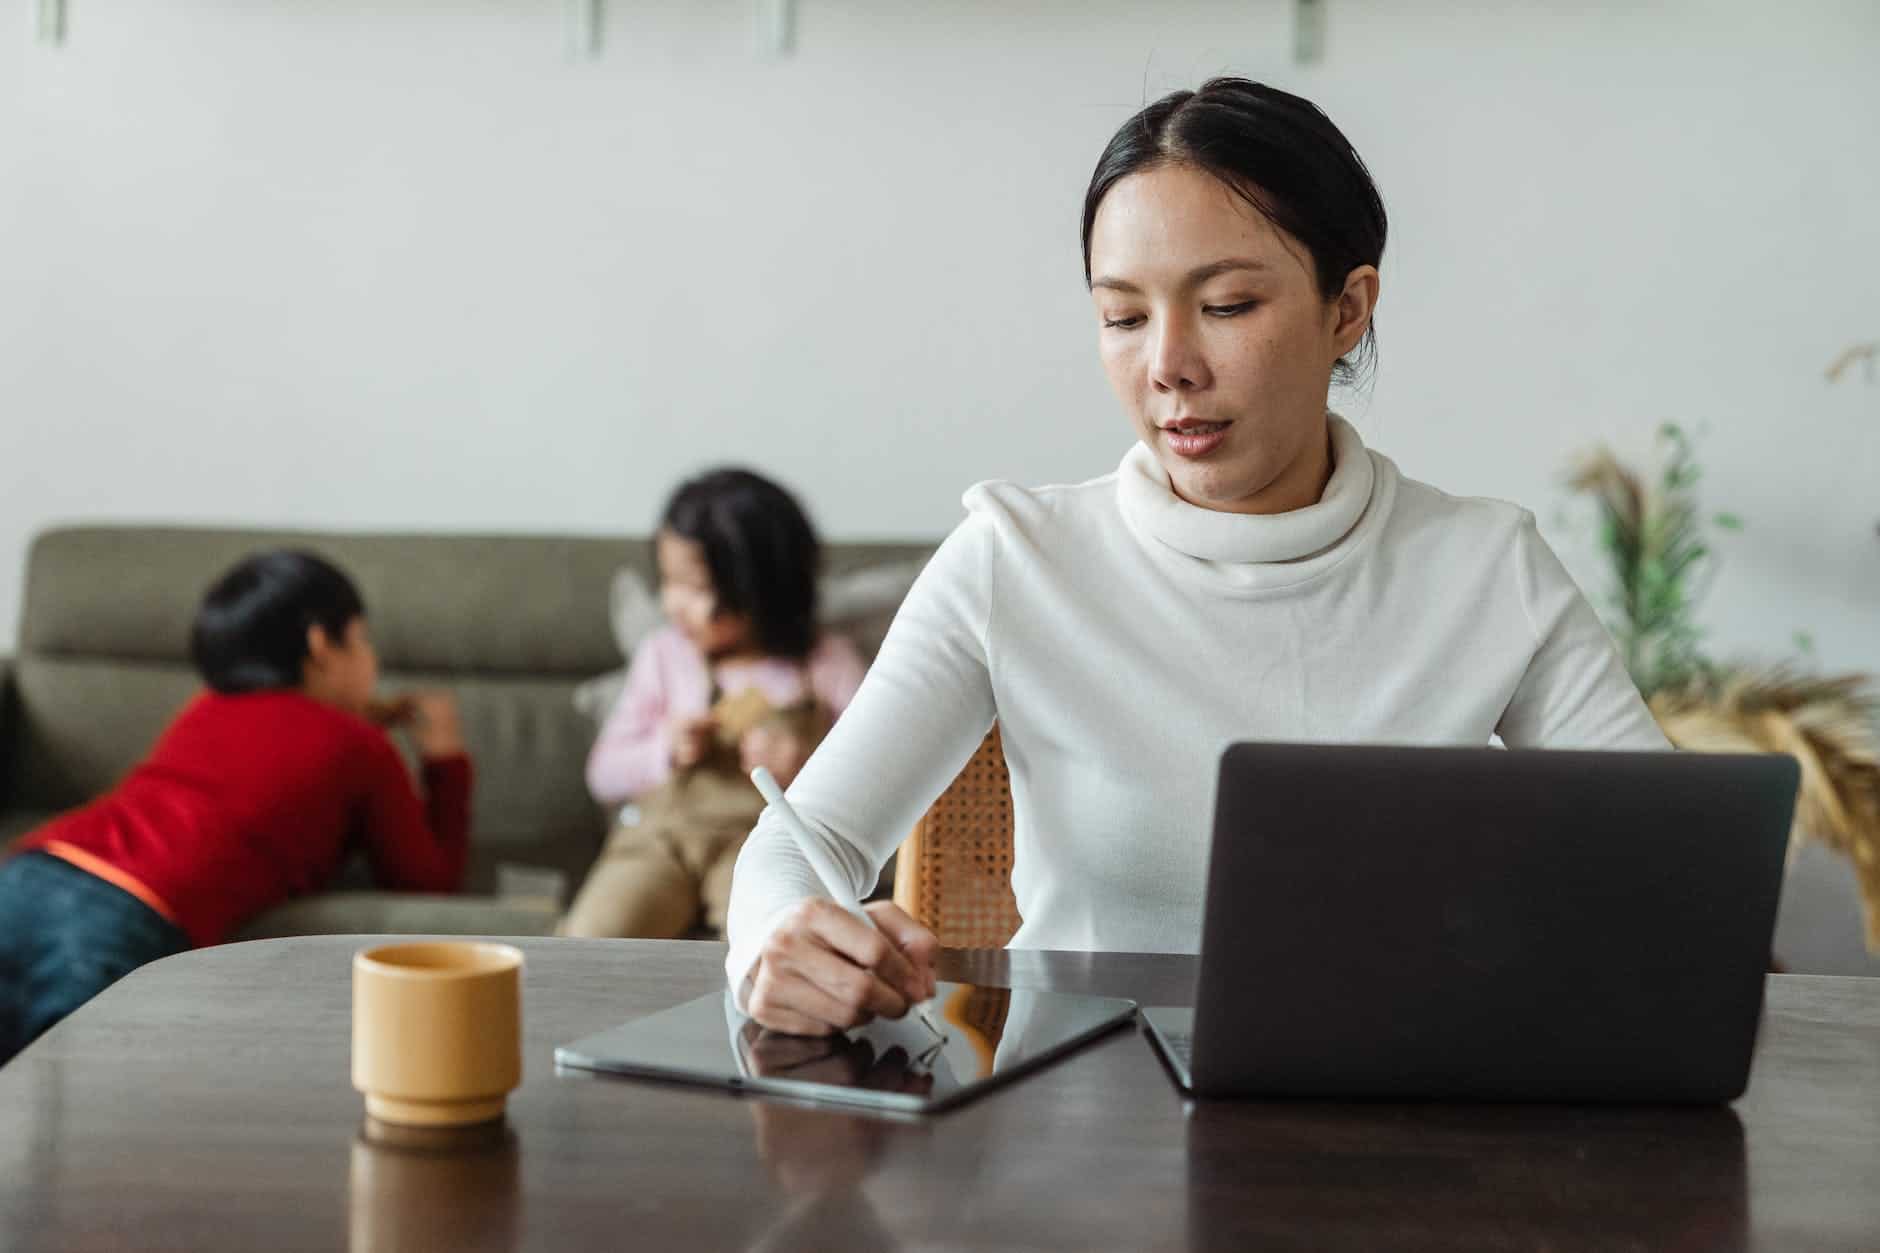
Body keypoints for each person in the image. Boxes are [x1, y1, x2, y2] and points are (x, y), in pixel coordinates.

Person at [724, 78, 1670, 1036]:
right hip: (1080, 1151)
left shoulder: (1483, 567)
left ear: (1348, 309)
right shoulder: (1017, 559)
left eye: (1225, 303)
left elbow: (1671, 858)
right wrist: (780, 939)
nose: (1168, 363)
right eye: (1124, 317)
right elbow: (805, 843)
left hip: (1396, 1146)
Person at [0, 551, 471, 1065]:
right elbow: (426, 882)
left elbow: (268, 760)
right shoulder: (361, 747)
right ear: (320, 645)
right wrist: (445, 760)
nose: (372, 660)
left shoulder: (206, 706)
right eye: (360, 639)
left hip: (30, 871)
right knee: (72, 1100)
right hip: (120, 912)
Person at [562, 469, 867, 938]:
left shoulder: (827, 665)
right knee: (593, 937)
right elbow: (603, 773)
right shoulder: (665, 656)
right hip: (659, 841)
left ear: (763, 587)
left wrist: (805, 769)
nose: (672, 604)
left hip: (767, 843)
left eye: (697, 589)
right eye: (668, 582)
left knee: (771, 943)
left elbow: (875, 778)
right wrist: (664, 748)